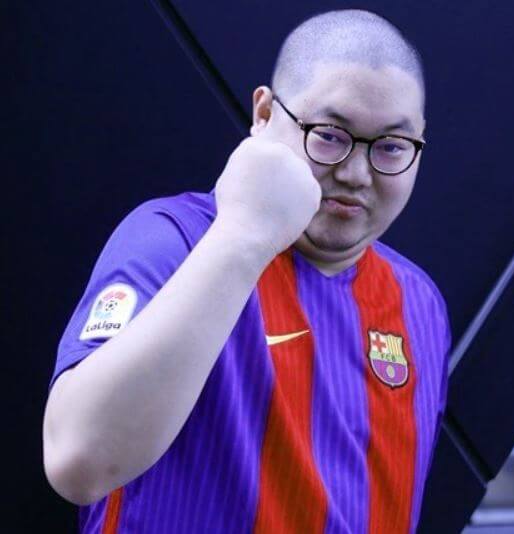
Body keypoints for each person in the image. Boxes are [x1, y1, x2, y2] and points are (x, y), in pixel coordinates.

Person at [42, 8, 451, 533]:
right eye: (330, 134)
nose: (355, 173)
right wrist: (242, 236)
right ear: (264, 113)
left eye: (392, 147)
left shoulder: (419, 302)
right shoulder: (177, 240)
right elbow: (78, 461)